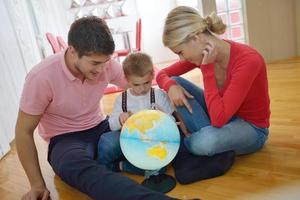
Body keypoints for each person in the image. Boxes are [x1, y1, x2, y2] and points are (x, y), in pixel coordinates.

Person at [15, 16, 180, 200]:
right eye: (95, 63)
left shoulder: (105, 65)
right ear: (72, 51)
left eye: (105, 62)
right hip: (66, 139)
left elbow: (140, 78)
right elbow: (23, 132)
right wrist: (37, 184)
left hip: (101, 126)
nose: (102, 70)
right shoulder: (41, 77)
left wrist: (170, 85)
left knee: (155, 134)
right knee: (79, 169)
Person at [98, 52, 235, 187]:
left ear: (152, 75)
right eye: (136, 84)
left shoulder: (158, 95)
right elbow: (111, 125)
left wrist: (166, 120)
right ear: (126, 79)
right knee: (107, 142)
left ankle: (120, 165)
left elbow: (173, 118)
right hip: (131, 142)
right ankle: (102, 170)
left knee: (160, 169)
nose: (142, 89)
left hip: (154, 143)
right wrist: (121, 119)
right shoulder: (121, 99)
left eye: (146, 83)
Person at [157, 6, 270, 158]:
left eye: (180, 52)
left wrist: (207, 70)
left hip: (252, 128)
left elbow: (218, 120)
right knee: (175, 81)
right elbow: (160, 74)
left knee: (205, 142)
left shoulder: (248, 61)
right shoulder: (200, 52)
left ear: (196, 38)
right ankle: (210, 141)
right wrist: (170, 86)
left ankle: (190, 141)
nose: (182, 59)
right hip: (221, 114)